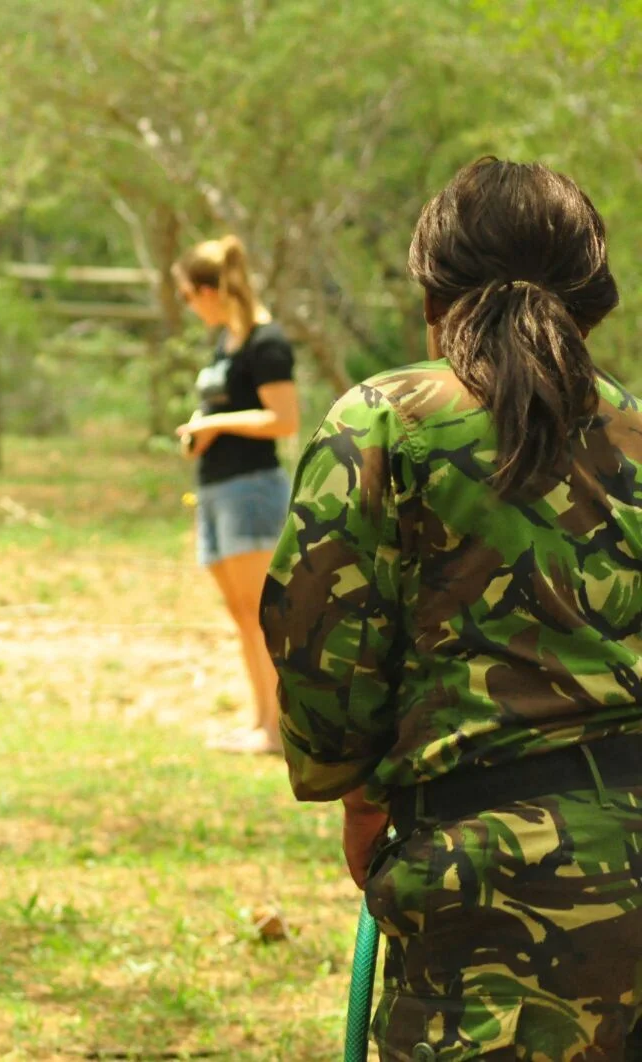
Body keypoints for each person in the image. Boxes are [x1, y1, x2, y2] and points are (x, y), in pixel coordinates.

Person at [262, 157, 642, 1060]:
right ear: (591, 304)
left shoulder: (381, 421)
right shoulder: (637, 429)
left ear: (434, 299)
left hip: (478, 881)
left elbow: (321, 651)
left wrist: (359, 800)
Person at [172, 235, 300, 754]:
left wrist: (217, 424)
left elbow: (284, 420)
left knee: (262, 614)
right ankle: (260, 720)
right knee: (241, 615)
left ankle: (278, 729)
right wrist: (201, 430)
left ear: (209, 291)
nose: (187, 306)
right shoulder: (225, 342)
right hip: (215, 491)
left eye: (186, 295)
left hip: (252, 492)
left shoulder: (266, 343)